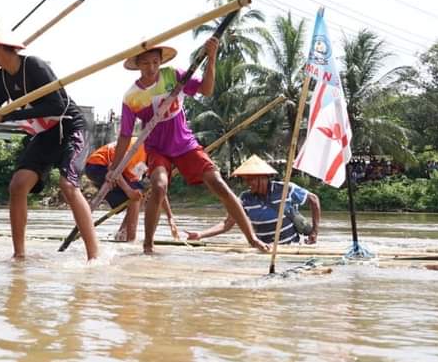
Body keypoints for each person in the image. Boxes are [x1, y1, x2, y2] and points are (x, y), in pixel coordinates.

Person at [0, 19, 100, 261]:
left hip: (70, 127)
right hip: (46, 134)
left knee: (68, 186)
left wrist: (11, 114)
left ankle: (94, 256)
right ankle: (19, 255)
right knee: (17, 185)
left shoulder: (34, 66)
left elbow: (57, 104)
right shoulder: (1, 79)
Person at [108, 39, 267, 254]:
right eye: (145, 64)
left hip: (184, 143)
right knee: (159, 186)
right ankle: (148, 246)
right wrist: (115, 169)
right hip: (157, 148)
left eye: (155, 62)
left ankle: (252, 238)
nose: (151, 68)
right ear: (138, 65)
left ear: (160, 62)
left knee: (217, 182)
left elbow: (207, 90)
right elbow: (125, 135)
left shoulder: (174, 75)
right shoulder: (131, 97)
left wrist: (211, 57)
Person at [186, 155, 321, 245]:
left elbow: (313, 200)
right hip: (265, 249)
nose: (248, 183)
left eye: (251, 179)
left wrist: (314, 231)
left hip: (291, 248)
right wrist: (200, 234)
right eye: (246, 180)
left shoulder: (285, 189)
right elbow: (226, 224)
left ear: (263, 177)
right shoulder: (245, 199)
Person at [83, 138, 177, 242]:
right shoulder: (138, 148)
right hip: (97, 165)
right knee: (136, 194)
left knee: (139, 195)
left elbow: (159, 190)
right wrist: (128, 191)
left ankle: (122, 233)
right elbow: (113, 168)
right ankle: (130, 239)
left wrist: (170, 218)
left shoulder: (150, 161)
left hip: (116, 172)